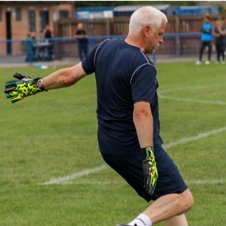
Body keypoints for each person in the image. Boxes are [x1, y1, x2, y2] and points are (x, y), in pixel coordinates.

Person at [4, 6, 194, 226]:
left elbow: (68, 76)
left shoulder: (105, 47)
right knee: (183, 198)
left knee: (168, 197)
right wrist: (148, 157)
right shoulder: (143, 66)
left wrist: (35, 85)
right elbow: (141, 113)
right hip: (133, 146)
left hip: (108, 145)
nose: (162, 40)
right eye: (160, 34)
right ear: (147, 30)